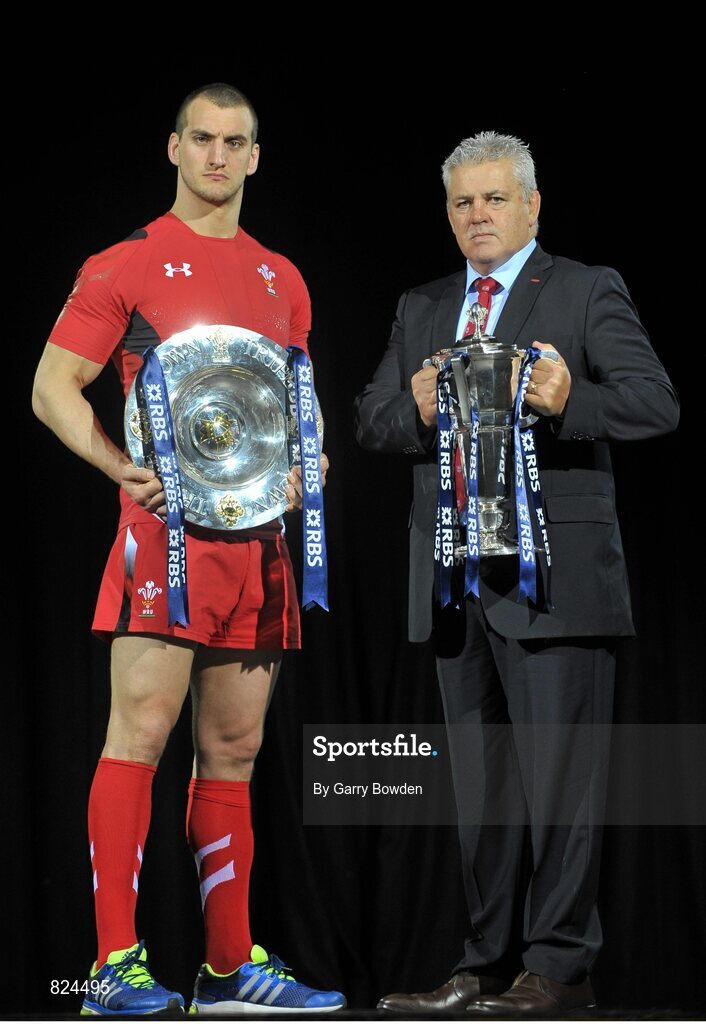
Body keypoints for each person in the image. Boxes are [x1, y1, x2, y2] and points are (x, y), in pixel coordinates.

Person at [33, 82, 343, 1017]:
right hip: (161, 544)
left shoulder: (281, 278)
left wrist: (310, 460)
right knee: (140, 736)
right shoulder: (124, 263)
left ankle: (226, 967)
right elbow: (54, 388)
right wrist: (119, 467)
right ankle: (113, 965)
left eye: (235, 141)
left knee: (235, 748)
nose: (217, 156)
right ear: (173, 147)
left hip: (259, 544)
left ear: (256, 155)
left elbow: (290, 411)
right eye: (201, 138)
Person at [354, 131, 678, 1015]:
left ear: (533, 206)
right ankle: (484, 963)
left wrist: (571, 399)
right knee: (482, 790)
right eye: (462, 202)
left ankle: (560, 967)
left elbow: (655, 403)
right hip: (454, 583)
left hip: (557, 582)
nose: (478, 216)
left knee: (561, 784)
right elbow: (371, 417)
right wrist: (411, 410)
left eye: (495, 199)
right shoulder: (422, 305)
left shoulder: (582, 288)